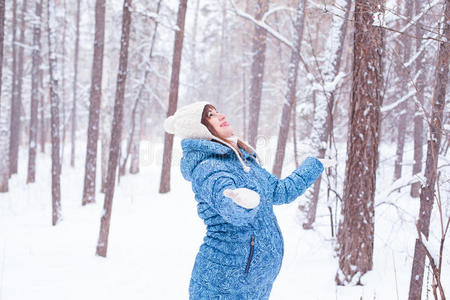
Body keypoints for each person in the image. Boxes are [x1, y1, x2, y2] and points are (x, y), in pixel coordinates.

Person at [164, 101, 333, 299]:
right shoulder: (208, 167)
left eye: (217, 111)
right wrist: (239, 202)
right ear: (199, 129)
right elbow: (226, 201)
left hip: (254, 285)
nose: (221, 115)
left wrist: (313, 166)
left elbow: (280, 191)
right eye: (210, 115)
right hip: (223, 286)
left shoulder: (243, 162)